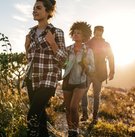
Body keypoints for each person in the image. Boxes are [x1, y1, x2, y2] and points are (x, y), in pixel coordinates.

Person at [23, 0, 67, 136]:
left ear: (48, 11)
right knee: (40, 118)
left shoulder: (56, 32)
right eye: (33, 8)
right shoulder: (31, 33)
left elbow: (64, 60)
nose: (34, 10)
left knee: (32, 116)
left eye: (38, 8)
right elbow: (30, 59)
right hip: (32, 78)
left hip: (48, 78)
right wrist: (26, 48)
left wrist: (53, 43)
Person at [62, 21, 95, 137]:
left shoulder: (88, 51)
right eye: (74, 32)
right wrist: (63, 63)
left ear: (84, 36)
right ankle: (70, 130)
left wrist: (87, 66)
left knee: (73, 107)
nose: (76, 35)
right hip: (67, 81)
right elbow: (63, 64)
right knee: (67, 108)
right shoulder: (67, 49)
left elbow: (92, 68)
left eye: (79, 33)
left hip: (81, 81)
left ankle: (75, 131)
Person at [86, 25, 115, 125]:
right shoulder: (89, 42)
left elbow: (111, 57)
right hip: (88, 71)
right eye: (97, 31)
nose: (99, 32)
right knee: (83, 92)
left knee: (96, 96)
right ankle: (85, 114)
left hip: (100, 72)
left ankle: (94, 117)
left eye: (101, 31)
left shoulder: (106, 44)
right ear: (94, 31)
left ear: (102, 32)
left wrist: (112, 71)